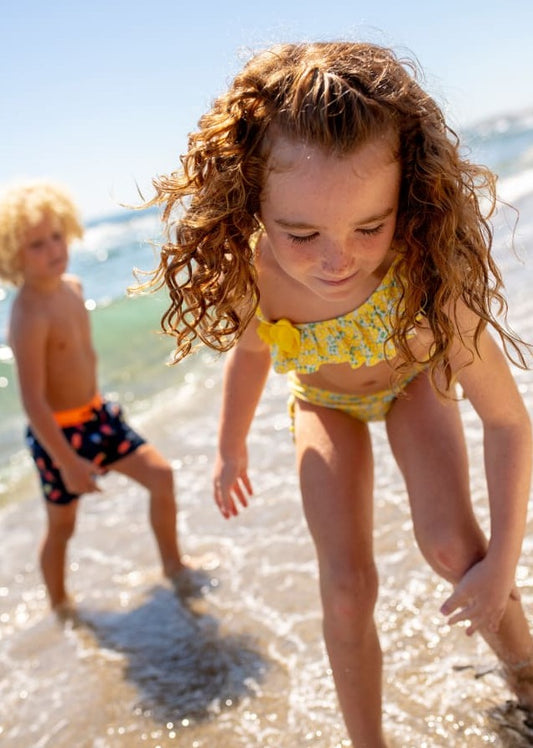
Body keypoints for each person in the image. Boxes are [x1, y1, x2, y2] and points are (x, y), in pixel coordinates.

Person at [138, 42, 533, 745]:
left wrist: (502, 560)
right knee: (345, 590)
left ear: (406, 197)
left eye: (368, 226)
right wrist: (230, 447)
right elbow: (252, 351)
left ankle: (527, 680)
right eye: (300, 231)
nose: (335, 258)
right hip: (325, 405)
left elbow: (507, 422)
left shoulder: (424, 273)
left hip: (413, 386)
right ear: (251, 197)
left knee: (452, 549)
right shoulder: (257, 269)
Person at [0, 180, 193, 617]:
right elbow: (32, 400)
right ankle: (60, 606)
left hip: (98, 416)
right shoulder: (27, 315)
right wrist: (68, 462)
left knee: (161, 477)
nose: (53, 249)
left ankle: (173, 565)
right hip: (59, 435)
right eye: (36, 245)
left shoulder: (74, 286)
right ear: (12, 256)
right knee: (62, 527)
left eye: (56, 236)